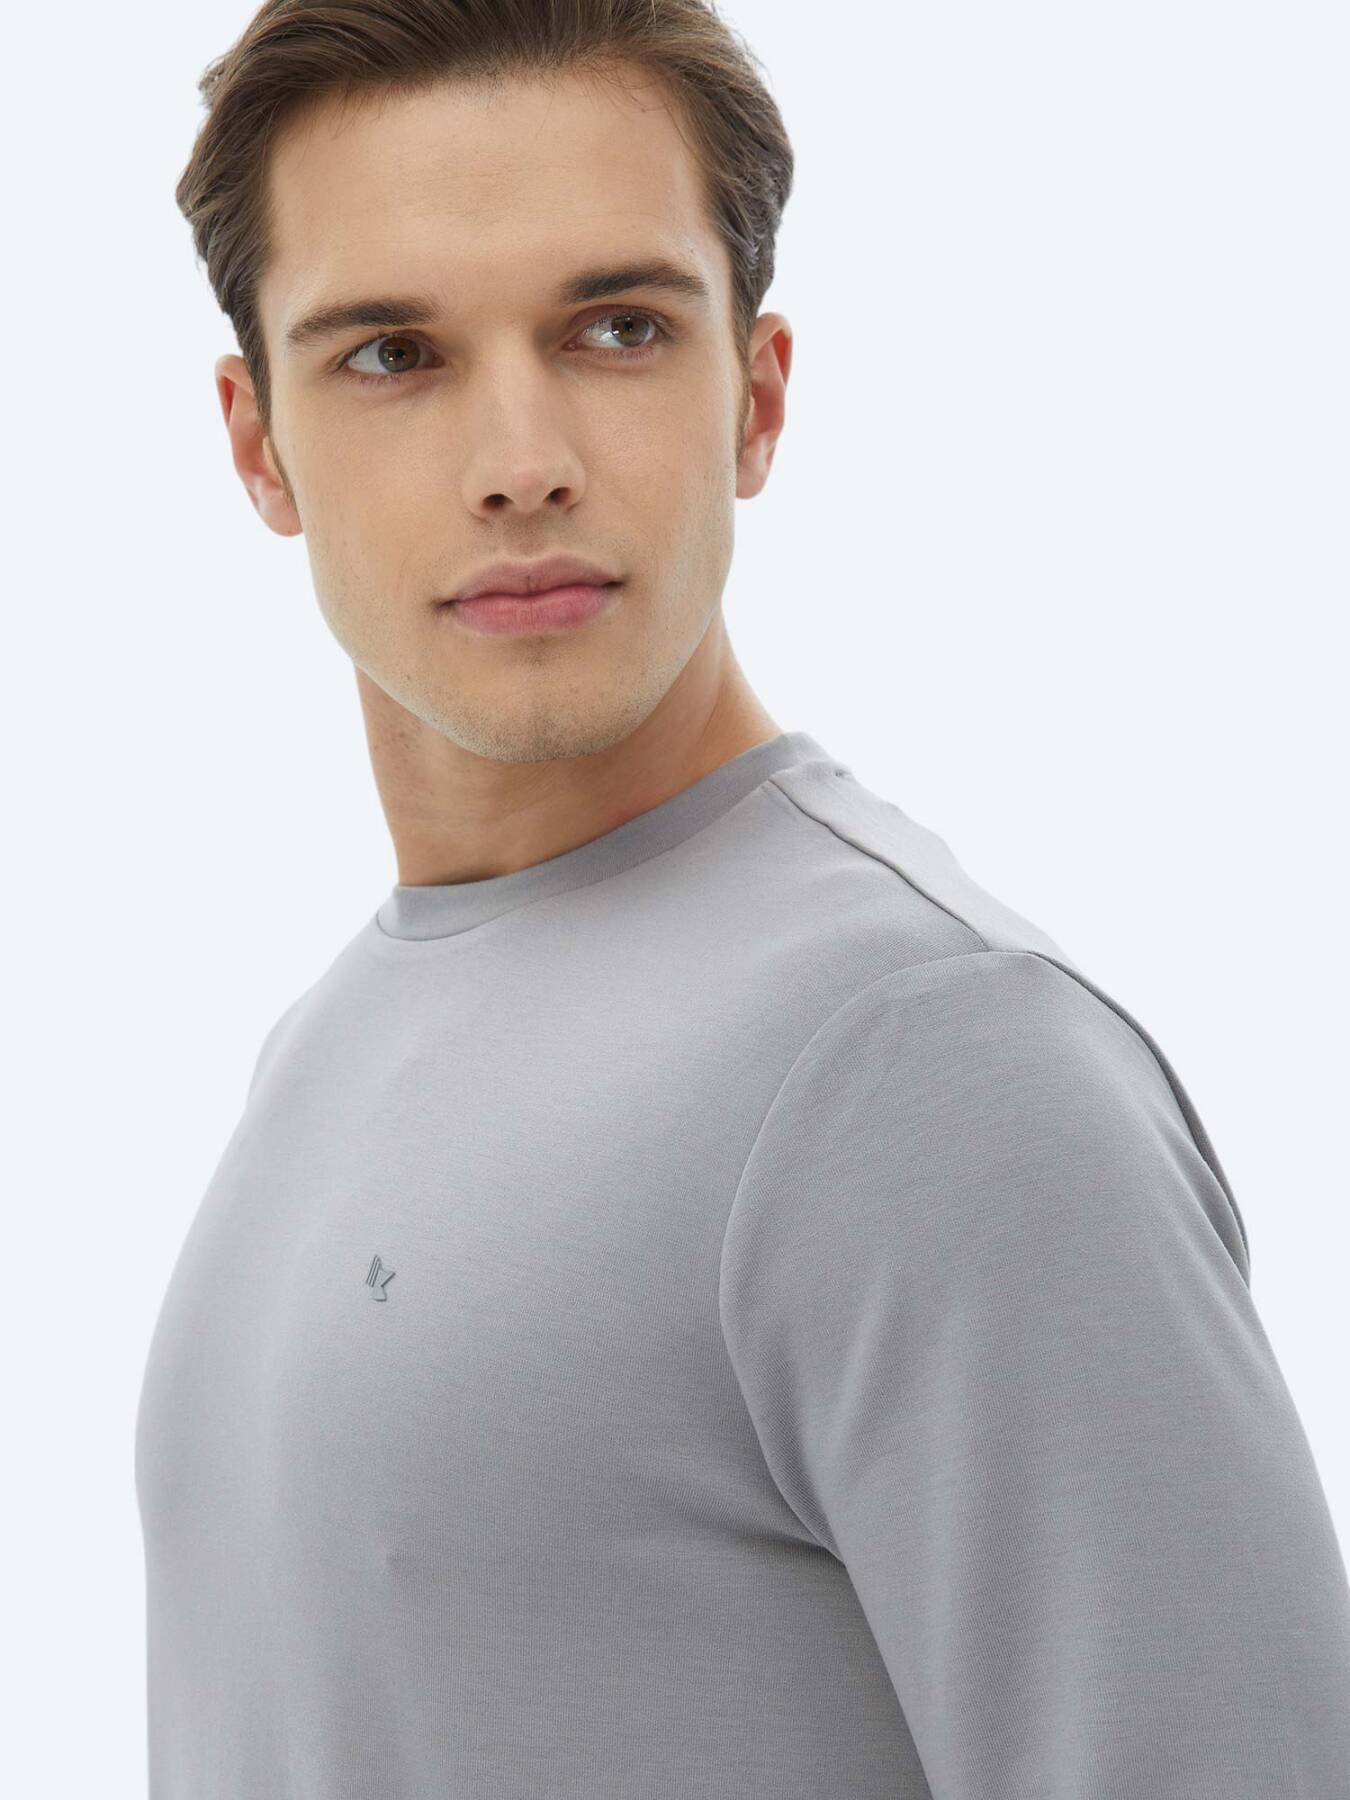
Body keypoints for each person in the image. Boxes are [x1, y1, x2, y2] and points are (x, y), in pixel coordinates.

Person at [133, 3, 1350, 1795]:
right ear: (258, 448)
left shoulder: (925, 1061)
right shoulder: (327, 1038)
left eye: (616, 328)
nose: (520, 458)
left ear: (755, 397)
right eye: (392, 354)